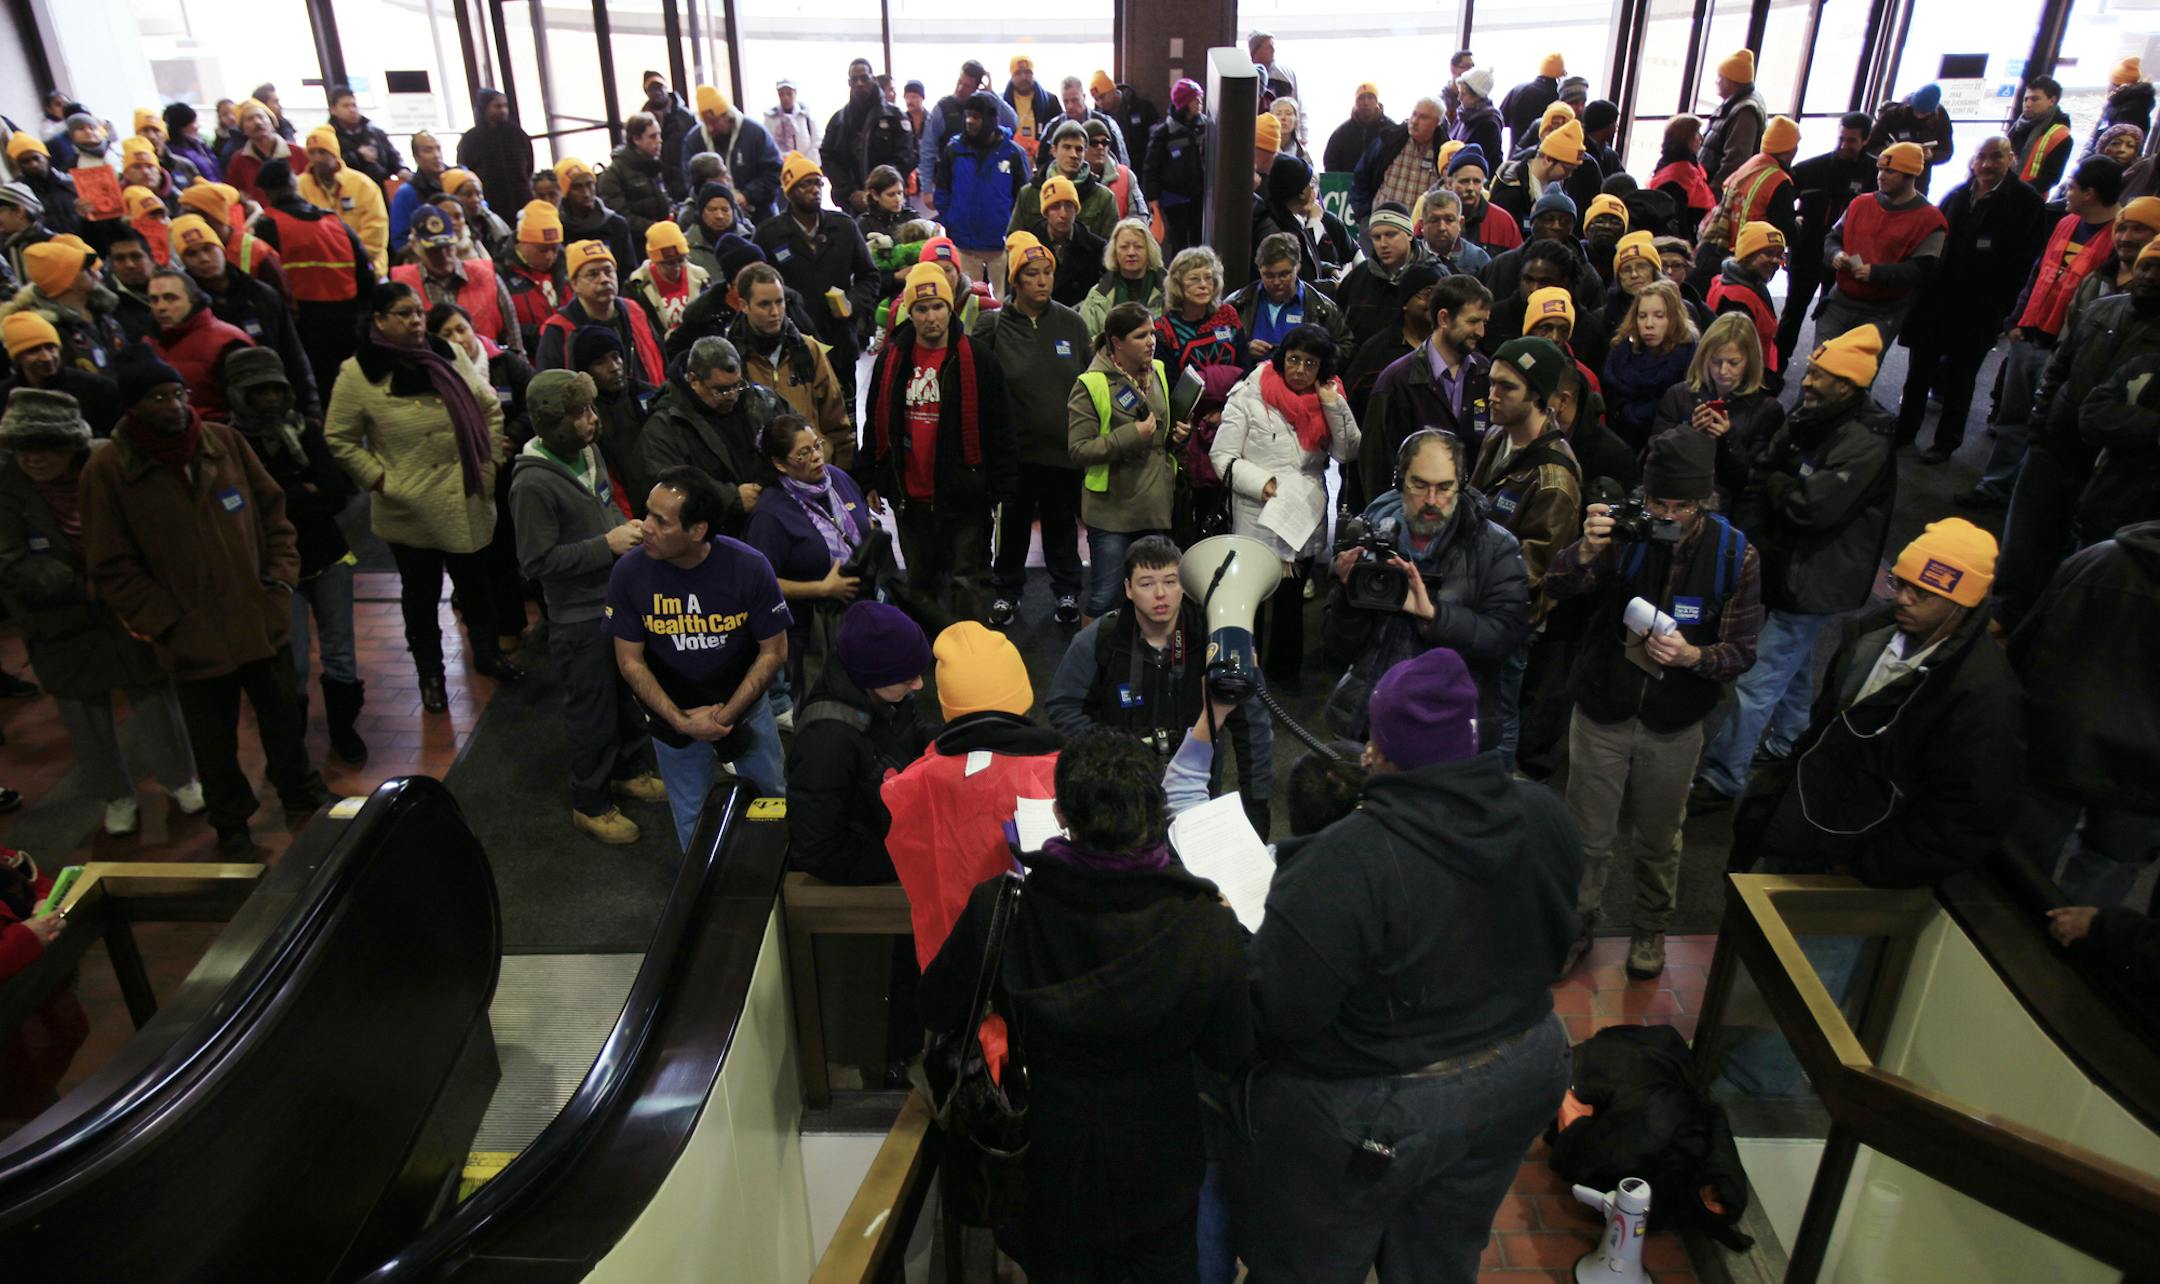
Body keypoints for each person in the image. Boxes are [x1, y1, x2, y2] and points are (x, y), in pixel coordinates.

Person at [1229, 644, 1577, 1283]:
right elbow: (1561, 944)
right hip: (1524, 1072)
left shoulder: (1345, 859)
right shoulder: (1544, 813)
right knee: (1440, 1258)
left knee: (1309, 1265)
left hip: (1384, 1113)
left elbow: (1281, 1014)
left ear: (1378, 749)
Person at [920, 719, 1245, 1281]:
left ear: (1063, 816)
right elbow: (1233, 1050)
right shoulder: (1203, 927)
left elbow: (937, 1006)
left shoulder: (1003, 908)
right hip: (1159, 1165)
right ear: (1156, 816)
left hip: (1044, 1162)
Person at [81, 346, 330, 859]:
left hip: (257, 618)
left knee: (285, 713)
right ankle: (231, 822)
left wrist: (279, 584)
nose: (173, 406)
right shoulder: (109, 469)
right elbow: (110, 562)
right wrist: (163, 621)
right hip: (190, 634)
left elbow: (273, 515)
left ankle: (301, 794)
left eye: (178, 394)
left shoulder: (223, 442)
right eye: (158, 398)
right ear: (133, 407)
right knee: (213, 739)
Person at [1544, 427, 1761, 979]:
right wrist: (1588, 548)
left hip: (1674, 721)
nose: (1667, 516)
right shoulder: (1627, 531)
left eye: (1681, 506)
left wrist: (1693, 656)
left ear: (1703, 501)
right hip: (1603, 708)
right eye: (1657, 502)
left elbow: (1741, 651)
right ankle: (1577, 923)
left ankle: (1650, 927)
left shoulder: (1735, 556)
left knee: (1659, 838)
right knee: (1587, 835)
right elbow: (1559, 586)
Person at [1691, 325, 1894, 812]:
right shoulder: (1814, 415)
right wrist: (1781, 480)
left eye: (1820, 374)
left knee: (1756, 679)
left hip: (1815, 577)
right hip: (1790, 565)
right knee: (1794, 664)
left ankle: (1721, 778)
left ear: (1847, 386)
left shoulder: (1864, 441)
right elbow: (1768, 465)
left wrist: (1780, 481)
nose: (1807, 379)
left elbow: (1809, 507)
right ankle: (1788, 743)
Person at [0, 387, 204, 835]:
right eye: (22, 448)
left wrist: (126, 581)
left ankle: (182, 779)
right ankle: (115, 795)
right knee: (83, 712)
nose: (34, 458)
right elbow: (10, 560)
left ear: (70, 442)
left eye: (46, 446)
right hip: (55, 619)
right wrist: (86, 586)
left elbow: (149, 525)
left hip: (126, 607)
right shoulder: (6, 484)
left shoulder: (108, 462)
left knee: (154, 696)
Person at [324, 281, 520, 714]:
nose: (415, 320)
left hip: (466, 492)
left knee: (476, 586)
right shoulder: (359, 373)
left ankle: (488, 656)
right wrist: (380, 480)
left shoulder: (444, 353)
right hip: (408, 506)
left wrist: (487, 465)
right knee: (421, 595)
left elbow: (487, 406)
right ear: (378, 321)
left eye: (417, 311)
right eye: (403, 314)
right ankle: (430, 675)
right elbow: (339, 438)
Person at [507, 367, 663, 843]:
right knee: (591, 712)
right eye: (580, 412)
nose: (592, 420)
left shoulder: (588, 453)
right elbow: (536, 562)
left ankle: (629, 771)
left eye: (592, 408)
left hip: (615, 603)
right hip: (576, 618)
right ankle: (590, 802)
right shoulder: (531, 484)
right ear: (551, 419)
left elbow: (605, 508)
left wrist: (628, 528)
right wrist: (607, 545)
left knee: (627, 697)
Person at [606, 465, 790, 848]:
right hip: (672, 717)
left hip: (746, 708)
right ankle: (704, 897)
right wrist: (681, 721)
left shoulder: (750, 567)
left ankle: (778, 874)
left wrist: (725, 716)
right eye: (647, 513)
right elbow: (630, 661)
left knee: (772, 797)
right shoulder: (628, 573)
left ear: (698, 530)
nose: (644, 527)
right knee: (691, 814)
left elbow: (774, 651)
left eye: (661, 520)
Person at [1989, 242, 2160, 628]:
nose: (2150, 276)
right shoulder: (2103, 309)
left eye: (2159, 270)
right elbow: (2058, 369)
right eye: (2147, 267)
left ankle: (2049, 631)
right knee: (2026, 540)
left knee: (2089, 556)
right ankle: (2005, 615)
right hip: (2055, 443)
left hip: (2118, 469)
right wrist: (2038, 425)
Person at [1324, 429, 1529, 748]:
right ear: (1400, 481)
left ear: (1461, 484)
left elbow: (1504, 640)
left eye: (1445, 487)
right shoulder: (1372, 528)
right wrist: (1347, 594)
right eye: (1419, 485)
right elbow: (1340, 646)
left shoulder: (1496, 548)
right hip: (1368, 724)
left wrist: (1434, 615)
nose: (1431, 501)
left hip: (1446, 735)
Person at [882, 620, 1061, 965]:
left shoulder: (911, 784)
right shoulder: (1061, 774)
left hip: (951, 974)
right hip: (1035, 970)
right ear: (1022, 693)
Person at [218, 345, 365, 765]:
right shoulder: (231, 443)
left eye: (274, 389)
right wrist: (303, 491)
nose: (269, 399)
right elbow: (247, 508)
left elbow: (336, 493)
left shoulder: (305, 429)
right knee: (293, 661)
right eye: (257, 390)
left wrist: (287, 495)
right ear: (239, 393)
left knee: (341, 651)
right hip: (276, 567)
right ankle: (291, 738)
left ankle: (343, 729)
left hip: (329, 555)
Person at [2007, 522, 2160, 910]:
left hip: (2058, 745)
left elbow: (2025, 644)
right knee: (2103, 879)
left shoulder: (2100, 559)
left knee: (2015, 871)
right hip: (2147, 778)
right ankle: (2063, 960)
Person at [1964, 155, 2125, 506]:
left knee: (2049, 430)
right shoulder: (2066, 223)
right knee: (2013, 419)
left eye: (2073, 186)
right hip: (2030, 336)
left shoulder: (2120, 239)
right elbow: (2038, 273)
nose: (2066, 191)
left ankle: (2028, 498)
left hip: (2066, 351)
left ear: (2090, 193)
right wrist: (2017, 322)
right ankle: (1994, 486)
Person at [860, 262, 1012, 623]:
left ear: (949, 308)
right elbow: (874, 422)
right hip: (909, 493)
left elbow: (1000, 427)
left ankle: (969, 655)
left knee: (966, 579)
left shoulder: (977, 358)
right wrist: (869, 478)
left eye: (938, 306)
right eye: (922, 308)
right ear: (909, 313)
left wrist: (1002, 487)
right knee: (920, 582)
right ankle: (927, 653)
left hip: (964, 492)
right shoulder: (892, 359)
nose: (931, 317)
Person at [1215, 322, 1362, 674]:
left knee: (1290, 605)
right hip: (1257, 514)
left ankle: (1284, 677)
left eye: (1310, 363)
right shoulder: (1249, 394)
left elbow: (1348, 452)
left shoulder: (1330, 398)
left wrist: (1334, 406)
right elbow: (1222, 458)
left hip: (1302, 517)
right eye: (1293, 359)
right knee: (1249, 604)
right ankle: (1240, 673)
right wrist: (1260, 482)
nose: (1299, 369)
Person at [1897, 137, 2049, 460]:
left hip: (1980, 305)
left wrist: (2005, 310)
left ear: (2011, 159)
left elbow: (2026, 264)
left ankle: (1945, 442)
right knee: (1919, 371)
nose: (1988, 164)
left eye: (1997, 157)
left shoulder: (2026, 203)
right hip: (1937, 299)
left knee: (1960, 378)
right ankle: (1904, 430)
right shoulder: (1957, 195)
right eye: (1982, 157)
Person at [1470, 336, 1583, 758]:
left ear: (1537, 395)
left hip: (1507, 621)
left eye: (1507, 387)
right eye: (1492, 382)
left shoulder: (1555, 479)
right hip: (1474, 605)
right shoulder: (1497, 436)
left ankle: (1495, 798)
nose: (1492, 395)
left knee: (1498, 717)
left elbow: (1536, 569)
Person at [978, 232, 1091, 627]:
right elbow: (979, 386)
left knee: (1063, 525)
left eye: (1047, 273)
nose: (1042, 281)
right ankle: (1007, 593)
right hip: (1014, 453)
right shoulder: (992, 326)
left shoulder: (1072, 324)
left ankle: (1066, 592)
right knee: (1012, 529)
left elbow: (1089, 381)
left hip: (1062, 450)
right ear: (1015, 281)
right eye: (1032, 274)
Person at [783, 599, 935, 886]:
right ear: (873, 676)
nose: (918, 685)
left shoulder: (883, 694)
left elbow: (907, 735)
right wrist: (913, 858)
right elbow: (818, 850)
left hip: (889, 820)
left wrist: (956, 741)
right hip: (872, 854)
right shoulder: (826, 743)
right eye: (907, 677)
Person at [744, 411, 875, 702]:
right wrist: (821, 589)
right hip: (813, 631)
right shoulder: (770, 514)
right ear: (779, 464)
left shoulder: (837, 479)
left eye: (817, 446)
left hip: (861, 609)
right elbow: (759, 585)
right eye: (804, 453)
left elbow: (861, 522)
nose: (817, 457)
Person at [1068, 300, 1181, 619]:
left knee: (1154, 599)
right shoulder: (1090, 384)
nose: (1151, 341)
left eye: (1152, 333)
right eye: (1140, 335)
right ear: (1116, 342)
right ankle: (1091, 666)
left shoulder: (1158, 370)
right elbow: (1079, 450)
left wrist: (1175, 436)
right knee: (1105, 598)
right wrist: (1133, 435)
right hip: (1112, 511)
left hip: (1155, 505)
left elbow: (1160, 437)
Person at [1360, 274, 1491, 499]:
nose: (1481, 332)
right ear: (1444, 319)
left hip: (1468, 520)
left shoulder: (1484, 374)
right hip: (1412, 519)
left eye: (1484, 322)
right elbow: (1376, 466)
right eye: (1472, 321)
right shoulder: (1396, 381)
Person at [171, 213, 317, 413]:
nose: (204, 259)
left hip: (273, 400)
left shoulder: (262, 295)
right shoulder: (187, 306)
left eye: (208, 249)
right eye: (192, 254)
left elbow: (292, 353)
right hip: (224, 411)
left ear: (221, 249)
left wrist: (310, 405)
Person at [250, 159, 374, 394]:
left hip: (302, 325)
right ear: (294, 183)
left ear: (266, 192)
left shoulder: (268, 226)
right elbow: (366, 274)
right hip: (347, 321)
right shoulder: (335, 222)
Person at [754, 152, 878, 385]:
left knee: (844, 417)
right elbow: (757, 287)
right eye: (805, 184)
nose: (815, 189)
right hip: (792, 347)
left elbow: (869, 276)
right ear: (789, 191)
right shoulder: (769, 235)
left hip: (840, 341)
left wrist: (852, 303)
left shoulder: (844, 227)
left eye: (818, 183)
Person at [1816, 142, 1946, 346]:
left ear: (1910, 175)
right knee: (1818, 369)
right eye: (1880, 169)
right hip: (1840, 301)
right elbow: (1833, 238)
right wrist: (1836, 255)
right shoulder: (1860, 204)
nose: (1881, 176)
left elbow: (1922, 269)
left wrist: (1875, 273)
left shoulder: (1931, 220)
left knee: (1856, 375)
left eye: (1890, 171)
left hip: (1881, 312)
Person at [728, 261, 855, 466]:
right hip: (764, 473)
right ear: (743, 305)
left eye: (780, 302)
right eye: (764, 304)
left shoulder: (808, 349)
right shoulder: (732, 358)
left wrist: (842, 470)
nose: (775, 312)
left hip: (816, 468)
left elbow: (836, 418)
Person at [1777, 112, 1877, 365]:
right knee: (1793, 310)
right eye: (1841, 138)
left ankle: (1824, 370)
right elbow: (1784, 204)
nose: (1844, 145)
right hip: (1807, 251)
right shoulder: (1810, 169)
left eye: (1852, 140)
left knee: (1833, 316)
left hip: (1846, 255)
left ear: (1865, 140)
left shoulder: (1875, 174)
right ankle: (1776, 365)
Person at [390, 205, 522, 358]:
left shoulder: (487, 276)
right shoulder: (402, 286)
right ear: (415, 246)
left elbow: (514, 341)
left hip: (490, 368)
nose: (443, 255)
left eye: (447, 247)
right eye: (433, 250)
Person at [934, 93, 1032, 290]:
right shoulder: (953, 150)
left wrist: (1013, 233)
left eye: (976, 117)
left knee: (1005, 305)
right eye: (967, 115)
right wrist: (951, 222)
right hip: (965, 244)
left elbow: (1024, 198)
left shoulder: (1013, 153)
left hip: (1001, 247)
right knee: (968, 303)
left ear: (990, 119)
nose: (969, 121)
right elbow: (942, 191)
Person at [533, 240, 665, 386]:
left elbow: (661, 361)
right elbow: (548, 388)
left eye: (608, 271)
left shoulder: (635, 312)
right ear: (575, 284)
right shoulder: (559, 329)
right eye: (593, 274)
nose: (603, 279)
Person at [6, 234, 126, 375]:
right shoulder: (49, 332)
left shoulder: (101, 311)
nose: (95, 273)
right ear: (66, 281)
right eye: (84, 269)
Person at [144, 267, 252, 421]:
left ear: (192, 300)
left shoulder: (229, 341)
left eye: (170, 298)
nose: (160, 307)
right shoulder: (148, 343)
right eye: (153, 300)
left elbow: (249, 408)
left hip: (216, 436)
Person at [1602, 279, 1697, 450]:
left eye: (1659, 316)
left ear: (1673, 318)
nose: (1649, 324)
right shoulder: (1619, 356)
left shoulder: (1687, 358)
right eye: (1642, 316)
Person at [0, 312, 120, 435]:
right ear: (17, 358)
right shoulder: (5, 396)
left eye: (50, 347)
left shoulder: (98, 389)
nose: (47, 357)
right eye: (33, 351)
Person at [821, 60, 914, 215]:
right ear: (849, 83)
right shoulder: (839, 120)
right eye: (854, 80)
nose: (859, 83)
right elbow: (828, 157)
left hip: (890, 201)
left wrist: (878, 191)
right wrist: (850, 192)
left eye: (864, 78)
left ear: (873, 79)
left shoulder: (895, 117)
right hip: (852, 203)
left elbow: (906, 157)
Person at [297, 126, 389, 278]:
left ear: (335, 154)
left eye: (323, 152)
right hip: (322, 274)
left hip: (368, 270)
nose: (318, 159)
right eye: (312, 153)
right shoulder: (299, 187)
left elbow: (376, 229)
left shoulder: (363, 185)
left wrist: (347, 259)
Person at [686, 85, 782, 219]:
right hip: (712, 218)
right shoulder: (695, 140)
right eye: (706, 123)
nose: (710, 128)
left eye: (714, 122)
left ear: (727, 116)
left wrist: (747, 196)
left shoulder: (756, 134)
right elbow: (690, 180)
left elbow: (774, 173)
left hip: (759, 215)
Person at [1009, 124, 1118, 240]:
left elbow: (1111, 248)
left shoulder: (1104, 198)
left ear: (1085, 153)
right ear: (1054, 150)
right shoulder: (1029, 194)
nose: (1073, 155)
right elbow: (1014, 239)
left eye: (1079, 149)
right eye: (1067, 147)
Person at [1349, 95, 1444, 226]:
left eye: (1423, 117)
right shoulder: (1389, 139)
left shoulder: (1443, 151)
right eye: (1414, 114)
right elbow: (1361, 174)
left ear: (1437, 122)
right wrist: (1364, 216)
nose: (1414, 121)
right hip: (1379, 226)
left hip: (1421, 232)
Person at [1019, 174, 1107, 310]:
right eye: (1055, 206)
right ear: (1046, 211)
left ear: (1076, 210)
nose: (1063, 214)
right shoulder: (1027, 248)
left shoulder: (1096, 248)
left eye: (1069, 206)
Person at [1154, 246, 1241, 380]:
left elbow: (1244, 366)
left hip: (1235, 398)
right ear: (1178, 284)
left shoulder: (1227, 314)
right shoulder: (1164, 329)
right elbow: (1170, 383)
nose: (1203, 285)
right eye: (1194, 279)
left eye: (1208, 278)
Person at [1147, 79, 1211, 255]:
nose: (1200, 104)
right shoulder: (1164, 132)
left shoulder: (1205, 126)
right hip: (1174, 195)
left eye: (1200, 99)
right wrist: (1153, 198)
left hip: (1199, 193)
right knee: (1179, 239)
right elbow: (1151, 167)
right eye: (1195, 100)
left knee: (1199, 237)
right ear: (1184, 103)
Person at [1486, 122, 1585, 234]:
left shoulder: (1556, 185)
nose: (1569, 175)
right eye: (1567, 169)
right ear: (1548, 159)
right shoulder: (1511, 189)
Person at [594, 113, 672, 253]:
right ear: (636, 139)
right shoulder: (613, 174)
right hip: (636, 246)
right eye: (653, 136)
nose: (659, 141)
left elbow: (663, 198)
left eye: (659, 135)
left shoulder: (653, 165)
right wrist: (654, 227)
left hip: (661, 238)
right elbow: (620, 216)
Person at [502, 199, 569, 353]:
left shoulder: (567, 264)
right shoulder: (501, 272)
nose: (550, 256)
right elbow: (503, 326)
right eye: (542, 250)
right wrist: (541, 335)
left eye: (554, 248)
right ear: (522, 242)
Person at [1079, 216, 1164, 334]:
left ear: (1149, 250)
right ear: (1114, 252)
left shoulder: (1168, 292)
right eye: (1124, 247)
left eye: (1138, 247)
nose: (1131, 253)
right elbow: (1086, 339)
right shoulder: (1097, 295)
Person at [1865, 83, 1954, 194]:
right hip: (1888, 176)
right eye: (1916, 111)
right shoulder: (1892, 115)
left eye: (1924, 114)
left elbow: (1947, 152)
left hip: (1918, 182)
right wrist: (1888, 152)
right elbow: (1870, 146)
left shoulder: (1940, 119)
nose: (1919, 116)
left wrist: (1932, 156)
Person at [626, 221, 707, 341]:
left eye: (681, 260)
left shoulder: (701, 278)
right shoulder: (636, 286)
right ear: (655, 261)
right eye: (669, 263)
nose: (677, 267)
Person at [1699, 49, 1768, 189]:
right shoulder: (1734, 103)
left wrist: (1714, 193)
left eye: (1720, 77)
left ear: (1732, 82)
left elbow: (1735, 160)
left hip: (1718, 192)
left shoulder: (1745, 112)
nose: (1716, 82)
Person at [457, 88, 534, 211]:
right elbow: (465, 171)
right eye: (497, 106)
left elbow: (529, 166)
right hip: (489, 202)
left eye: (505, 106)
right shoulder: (470, 139)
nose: (503, 110)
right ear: (485, 108)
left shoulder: (517, 134)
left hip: (521, 200)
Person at [324, 87, 403, 188]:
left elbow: (392, 156)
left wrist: (401, 168)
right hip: (348, 188)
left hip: (380, 187)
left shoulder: (375, 132)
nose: (352, 110)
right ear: (333, 110)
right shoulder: (329, 137)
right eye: (346, 106)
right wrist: (358, 156)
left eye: (354, 105)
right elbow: (329, 165)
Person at [2010, 75, 2074, 194]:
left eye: (2034, 99)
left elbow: (2050, 178)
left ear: (2052, 101)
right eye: (2026, 99)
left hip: (2029, 199)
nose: (2027, 104)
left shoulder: (2060, 136)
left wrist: (2016, 191)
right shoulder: (2018, 126)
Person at [1500, 53, 1567, 154]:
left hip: (1515, 157)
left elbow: (1501, 121)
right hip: (1542, 160)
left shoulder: (1518, 90)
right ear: (1560, 75)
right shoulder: (1559, 98)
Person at [1325, 82, 1392, 175]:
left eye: (1370, 97)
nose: (1366, 102)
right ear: (1356, 102)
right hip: (1349, 186)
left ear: (1377, 102)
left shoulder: (1391, 130)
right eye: (1361, 98)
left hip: (1381, 186)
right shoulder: (1342, 132)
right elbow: (1330, 161)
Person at [766, 77, 822, 159]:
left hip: (806, 165)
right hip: (781, 166)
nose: (786, 97)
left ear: (795, 93)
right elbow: (767, 145)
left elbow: (817, 142)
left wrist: (806, 161)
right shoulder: (770, 119)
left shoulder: (807, 116)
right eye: (782, 94)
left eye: (789, 93)